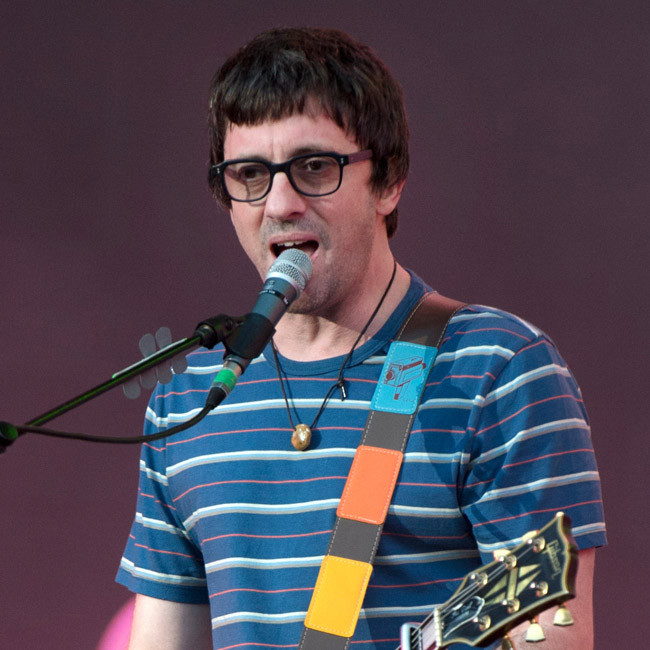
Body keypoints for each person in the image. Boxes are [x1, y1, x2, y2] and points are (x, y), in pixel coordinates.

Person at [116, 27, 606, 649]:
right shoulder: (189, 401)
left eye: (314, 167)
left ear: (389, 180)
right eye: (250, 174)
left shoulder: (497, 370)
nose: (280, 203)